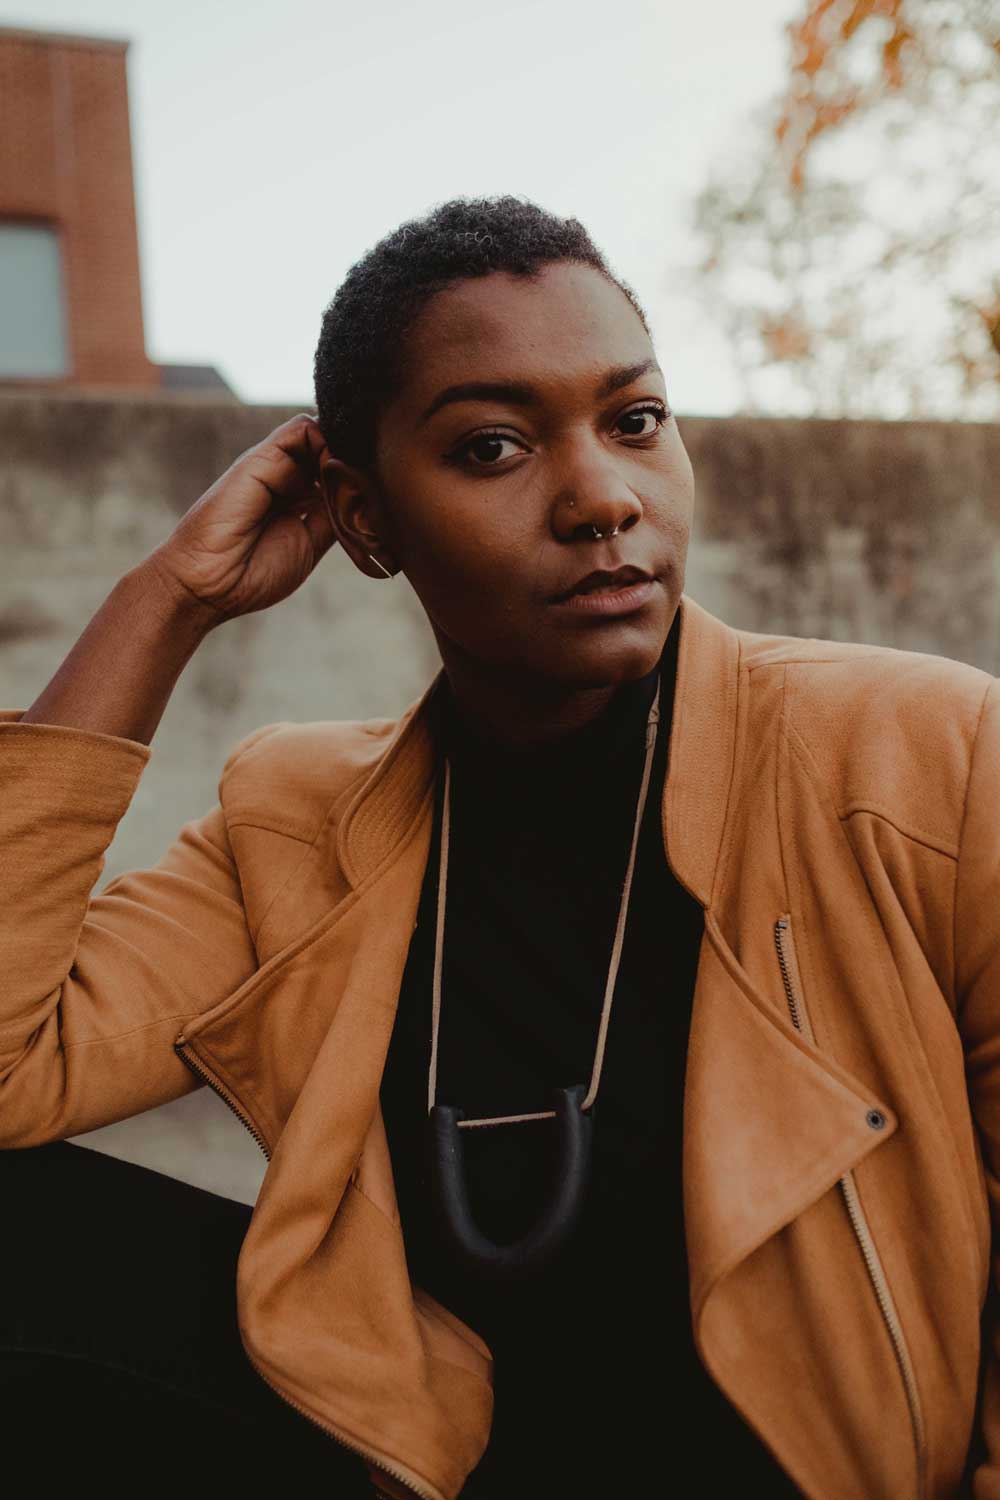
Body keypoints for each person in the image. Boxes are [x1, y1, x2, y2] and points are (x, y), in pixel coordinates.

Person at [0, 193, 996, 1499]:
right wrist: (163, 603)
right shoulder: (294, 822)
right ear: (364, 519)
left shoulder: (922, 755)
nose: (603, 499)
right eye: (492, 447)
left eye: (635, 420)